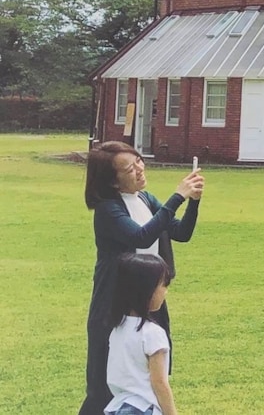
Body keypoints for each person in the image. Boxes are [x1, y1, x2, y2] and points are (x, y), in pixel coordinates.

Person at [80, 142, 203, 415]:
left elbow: (181, 232)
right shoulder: (108, 209)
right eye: (129, 168)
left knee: (153, 373)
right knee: (103, 386)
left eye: (138, 162)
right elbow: (141, 236)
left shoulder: (146, 200)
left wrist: (193, 201)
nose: (139, 169)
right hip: (114, 305)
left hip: (149, 299)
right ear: (113, 181)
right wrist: (177, 197)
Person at [105, 253, 181, 415]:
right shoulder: (153, 334)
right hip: (143, 408)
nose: (165, 292)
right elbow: (159, 382)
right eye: (163, 285)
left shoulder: (118, 328)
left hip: (117, 406)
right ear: (147, 290)